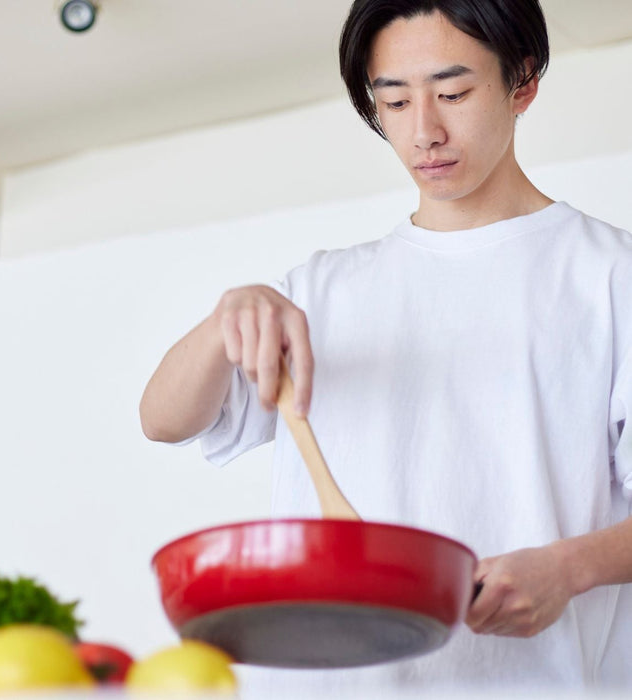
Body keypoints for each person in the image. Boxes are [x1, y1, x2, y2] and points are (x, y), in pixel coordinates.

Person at [140, 0, 632, 690]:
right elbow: (162, 421)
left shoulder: (610, 274)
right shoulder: (320, 290)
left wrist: (569, 567)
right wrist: (228, 317)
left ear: (522, 81)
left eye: (453, 93)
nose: (424, 131)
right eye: (394, 102)